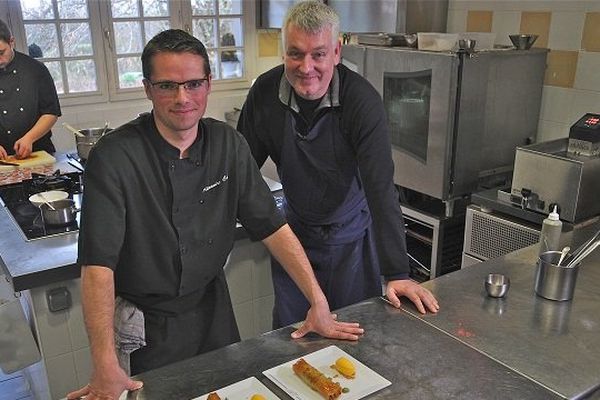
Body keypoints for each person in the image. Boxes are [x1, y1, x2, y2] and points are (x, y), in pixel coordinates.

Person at [67, 29, 363, 400]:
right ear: (147, 88)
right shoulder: (114, 157)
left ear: (209, 83)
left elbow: (273, 227)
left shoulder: (228, 144)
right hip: (146, 325)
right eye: (166, 86)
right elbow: (97, 267)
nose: (182, 98)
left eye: (193, 84)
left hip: (212, 312)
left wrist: (318, 302)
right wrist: (104, 364)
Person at [237, 1, 439, 329]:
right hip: (296, 239)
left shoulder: (362, 102)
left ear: (336, 52)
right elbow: (241, 171)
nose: (306, 67)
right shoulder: (264, 94)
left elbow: (380, 187)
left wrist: (398, 272)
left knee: (355, 337)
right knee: (291, 341)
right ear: (283, 52)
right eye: (295, 53)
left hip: (353, 245)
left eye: (318, 54)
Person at [0, 19, 60, 159]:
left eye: (1, 52)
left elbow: (50, 112)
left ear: (12, 42)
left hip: (38, 152)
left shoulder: (35, 69)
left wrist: (30, 138)